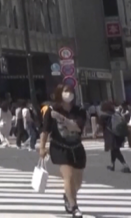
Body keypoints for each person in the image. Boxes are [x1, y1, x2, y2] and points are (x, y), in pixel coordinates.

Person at [40, 84, 87, 217]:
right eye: (66, 91)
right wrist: (42, 147)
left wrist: (61, 119)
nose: (69, 94)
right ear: (60, 93)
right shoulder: (51, 110)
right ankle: (74, 206)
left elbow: (77, 128)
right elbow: (45, 130)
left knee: (78, 182)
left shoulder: (80, 111)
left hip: (77, 147)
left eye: (71, 91)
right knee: (68, 176)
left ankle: (68, 196)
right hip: (60, 147)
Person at [100, 101, 130, 173]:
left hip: (110, 135)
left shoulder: (104, 115)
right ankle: (112, 165)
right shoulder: (116, 114)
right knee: (113, 150)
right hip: (118, 134)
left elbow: (99, 125)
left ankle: (125, 165)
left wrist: (94, 133)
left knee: (116, 151)